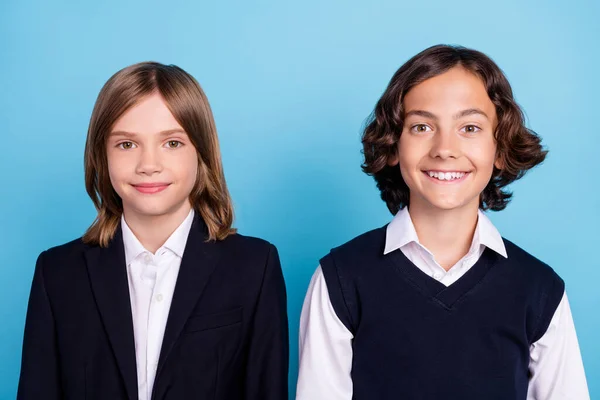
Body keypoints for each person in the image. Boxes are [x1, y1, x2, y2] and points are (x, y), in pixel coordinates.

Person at [296, 45, 589, 399]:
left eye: (469, 127)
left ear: (499, 149)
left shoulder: (539, 289)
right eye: (421, 126)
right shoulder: (341, 278)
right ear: (393, 145)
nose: (444, 148)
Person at [18, 62, 289, 400]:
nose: (149, 165)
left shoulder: (255, 266)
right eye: (127, 144)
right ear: (102, 155)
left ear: (201, 152)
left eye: (172, 143)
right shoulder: (57, 272)